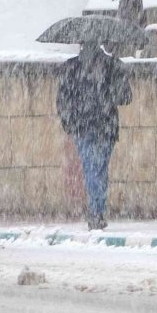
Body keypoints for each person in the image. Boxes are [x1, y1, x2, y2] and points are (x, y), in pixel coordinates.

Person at [56, 41, 132, 230]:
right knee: (100, 168)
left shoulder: (71, 67)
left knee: (91, 167)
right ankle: (97, 209)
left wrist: (69, 122)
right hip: (105, 126)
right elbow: (125, 98)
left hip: (82, 126)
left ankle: (96, 210)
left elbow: (62, 99)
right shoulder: (112, 65)